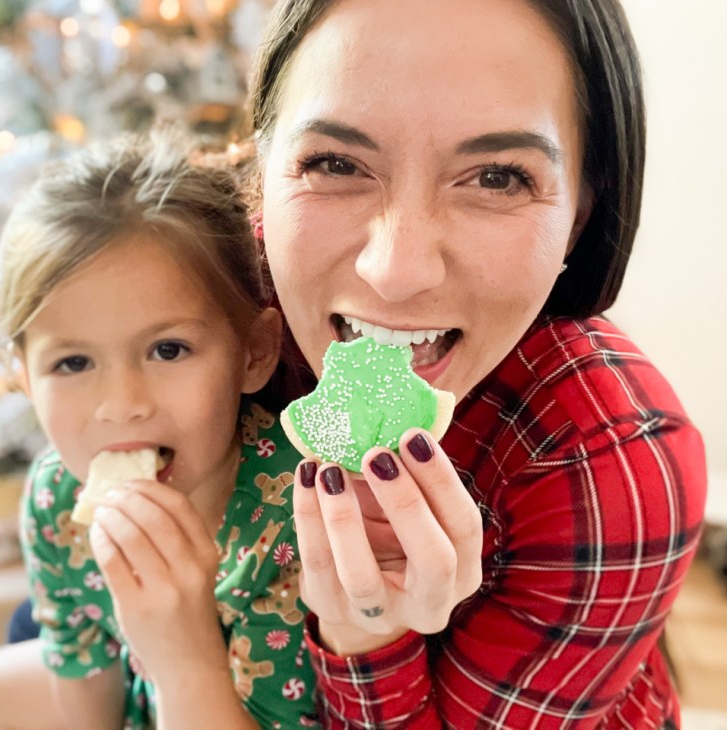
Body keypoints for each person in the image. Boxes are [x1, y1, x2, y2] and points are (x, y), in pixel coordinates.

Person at [246, 0, 708, 727]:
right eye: (335, 163)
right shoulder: (205, 315)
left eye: (497, 177)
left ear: (579, 217)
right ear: (262, 175)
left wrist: (368, 634)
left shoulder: (612, 455)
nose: (395, 271)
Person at [0, 130, 319, 730]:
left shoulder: (296, 518)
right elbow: (83, 685)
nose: (121, 406)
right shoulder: (57, 499)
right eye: (73, 363)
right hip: (140, 699)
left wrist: (180, 649)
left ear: (254, 352)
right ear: (22, 376)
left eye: (167, 349)